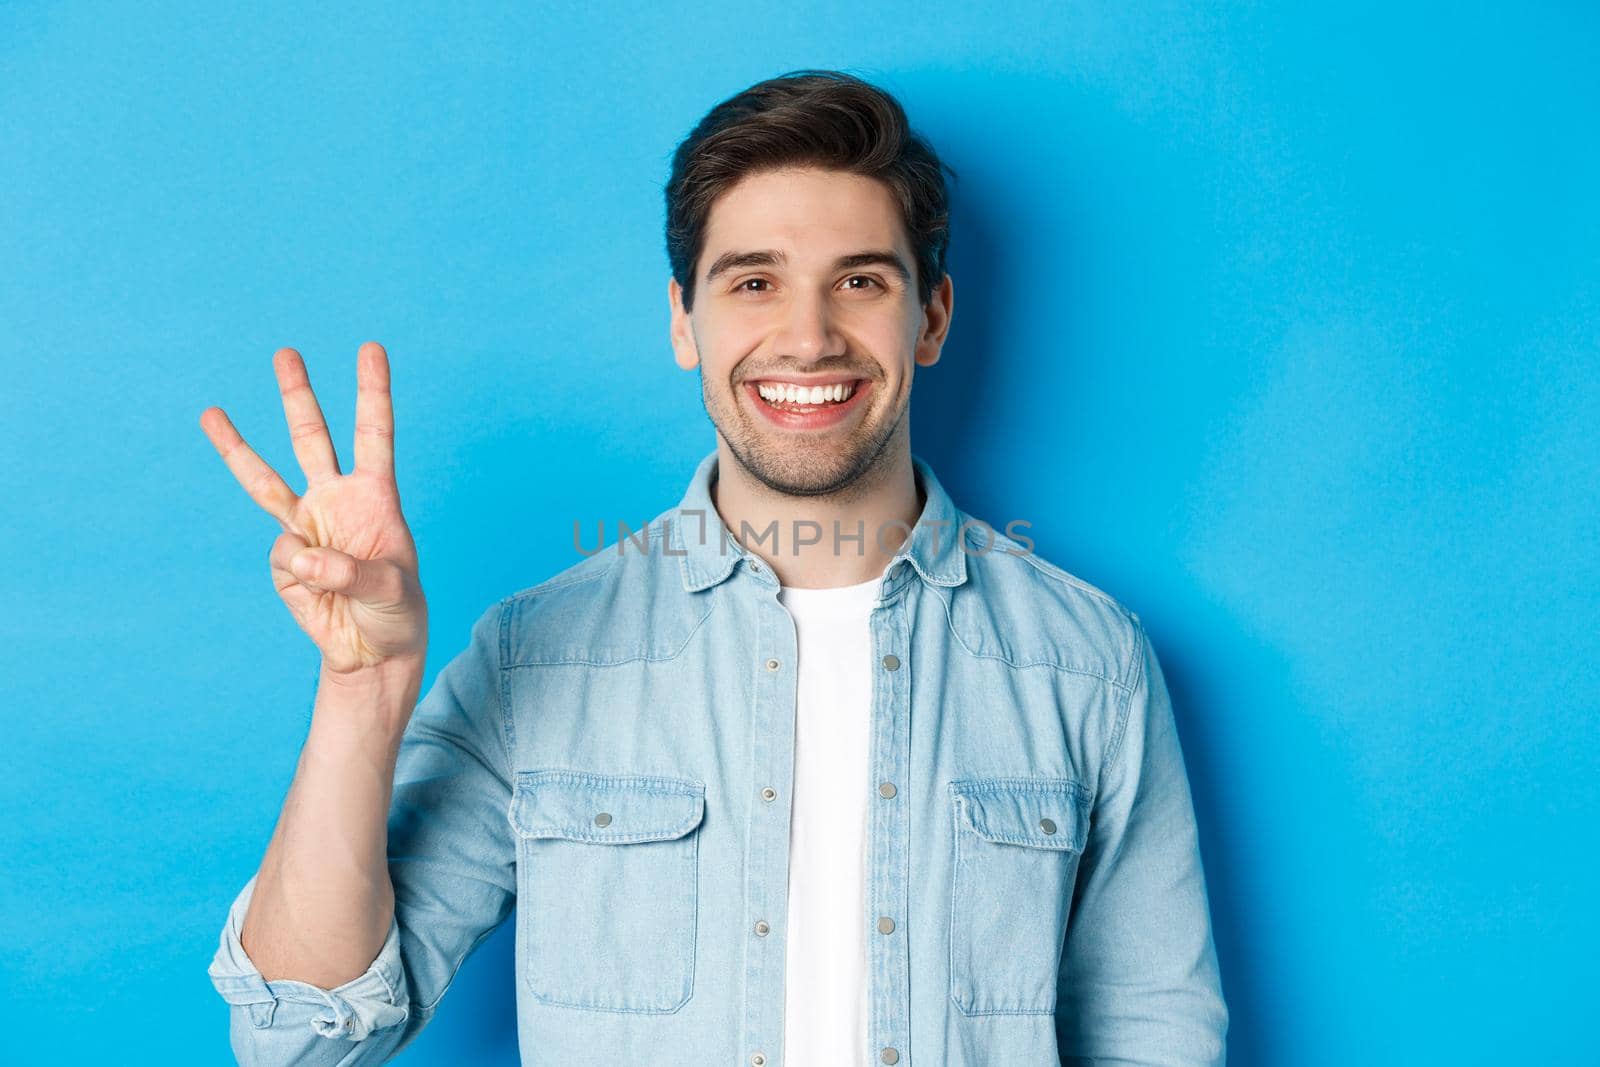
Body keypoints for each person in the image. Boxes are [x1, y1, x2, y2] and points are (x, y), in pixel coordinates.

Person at [201, 68, 1228, 1067]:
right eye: (753, 282)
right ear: (683, 321)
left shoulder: (1087, 661)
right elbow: (296, 1036)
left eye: (860, 281)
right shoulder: (534, 659)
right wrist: (361, 691)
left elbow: (1155, 1030)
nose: (807, 336)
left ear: (933, 317)